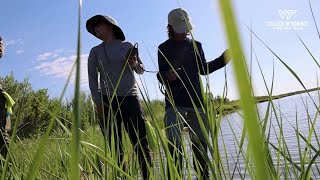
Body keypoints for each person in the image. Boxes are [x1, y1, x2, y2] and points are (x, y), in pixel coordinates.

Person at [157, 8, 232, 179]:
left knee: (200, 146)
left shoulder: (196, 45)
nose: (184, 32)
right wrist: (166, 76)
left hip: (197, 103)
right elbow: (161, 75)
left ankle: (203, 177)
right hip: (174, 104)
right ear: (170, 27)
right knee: (175, 146)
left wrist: (224, 58)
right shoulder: (163, 48)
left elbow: (204, 69)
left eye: (186, 28)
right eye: (180, 28)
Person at [86, 15, 151, 179]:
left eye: (98, 25)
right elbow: (93, 79)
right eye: (94, 27)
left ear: (110, 26)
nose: (95, 29)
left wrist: (134, 63)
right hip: (108, 102)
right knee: (116, 147)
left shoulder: (127, 46)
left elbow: (141, 70)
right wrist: (98, 102)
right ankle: (124, 176)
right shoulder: (95, 52)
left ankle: (147, 176)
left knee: (141, 144)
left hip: (130, 99)